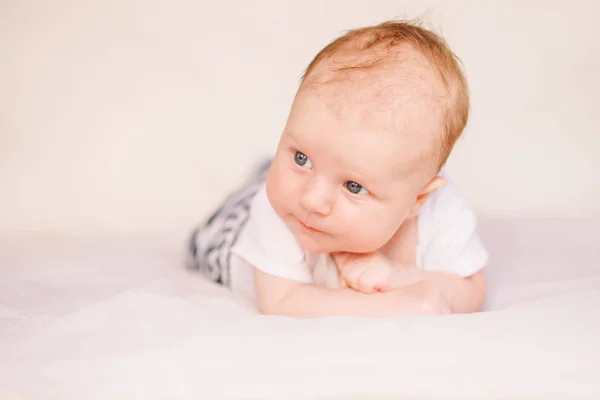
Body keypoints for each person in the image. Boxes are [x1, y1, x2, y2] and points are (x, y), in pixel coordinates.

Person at [187, 20, 489, 318]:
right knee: (237, 213)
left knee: (296, 172)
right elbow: (282, 300)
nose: (312, 200)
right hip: (233, 232)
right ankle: (264, 173)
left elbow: (471, 288)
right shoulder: (278, 212)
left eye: (353, 186)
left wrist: (400, 277)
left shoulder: (441, 213)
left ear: (418, 200)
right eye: (301, 156)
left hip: (283, 183)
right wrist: (390, 306)